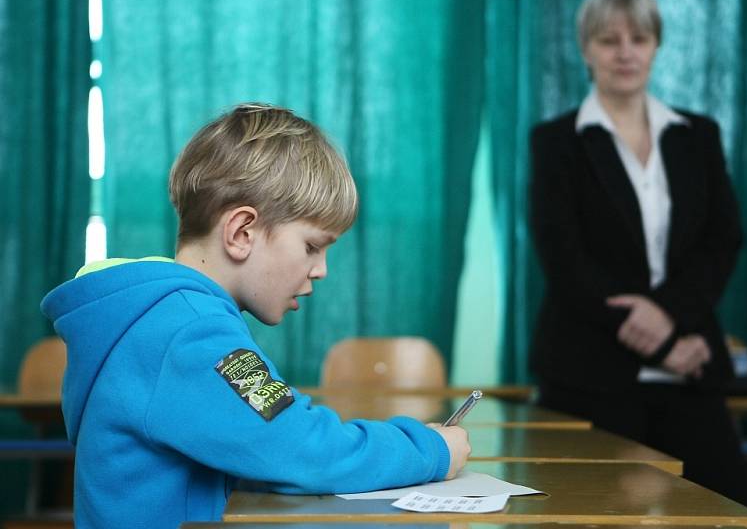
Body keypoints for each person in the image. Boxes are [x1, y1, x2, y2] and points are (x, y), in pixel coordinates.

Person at [41, 104, 470, 529]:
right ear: (242, 233)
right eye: (312, 246)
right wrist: (429, 449)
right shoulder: (190, 335)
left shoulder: (161, 319)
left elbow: (261, 445)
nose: (321, 270)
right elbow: (296, 445)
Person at [528, 0, 747, 508]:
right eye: (609, 40)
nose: (626, 52)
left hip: (691, 364)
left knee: (735, 510)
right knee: (589, 516)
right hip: (589, 371)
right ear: (586, 49)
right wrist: (660, 343)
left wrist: (671, 322)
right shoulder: (556, 141)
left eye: (639, 37)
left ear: (657, 44)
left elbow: (724, 240)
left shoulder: (698, 134)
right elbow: (564, 259)